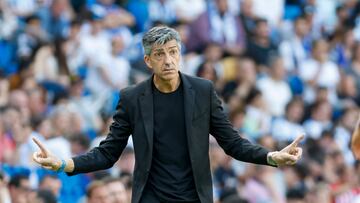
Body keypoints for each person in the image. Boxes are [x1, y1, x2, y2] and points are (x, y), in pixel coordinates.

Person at [32, 26, 303, 203]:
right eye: (160, 54)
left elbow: (232, 143)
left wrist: (271, 157)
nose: (168, 60)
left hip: (194, 197)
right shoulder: (131, 98)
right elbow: (108, 153)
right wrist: (63, 164)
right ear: (148, 61)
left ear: (180, 54)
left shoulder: (203, 91)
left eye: (173, 52)